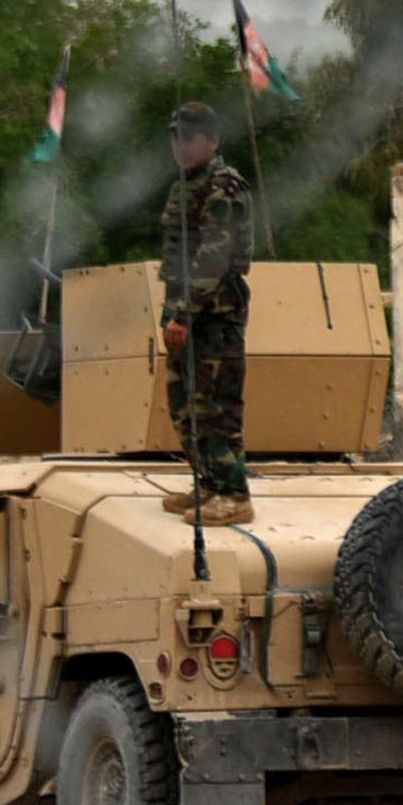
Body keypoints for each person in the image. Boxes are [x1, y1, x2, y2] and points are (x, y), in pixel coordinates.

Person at [159, 101, 256, 523]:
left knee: (216, 405)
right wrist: (171, 310)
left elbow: (213, 259)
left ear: (212, 141)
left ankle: (235, 494)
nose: (180, 146)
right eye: (176, 138)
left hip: (215, 313)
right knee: (185, 402)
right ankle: (209, 482)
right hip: (187, 310)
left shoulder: (223, 186)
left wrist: (183, 312)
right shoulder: (186, 185)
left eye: (190, 139)